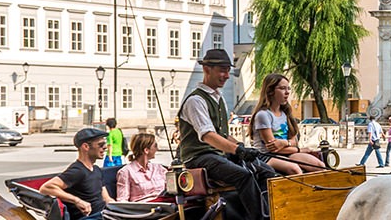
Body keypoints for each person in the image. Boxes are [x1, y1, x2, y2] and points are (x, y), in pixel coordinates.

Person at [175, 48, 271, 220]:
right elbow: (208, 136)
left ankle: (271, 210)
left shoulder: (219, 99)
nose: (227, 75)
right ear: (206, 69)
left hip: (217, 154)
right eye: (222, 70)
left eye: (228, 70)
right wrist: (237, 150)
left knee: (266, 170)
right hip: (198, 157)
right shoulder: (195, 101)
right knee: (244, 175)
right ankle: (260, 218)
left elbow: (223, 135)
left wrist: (242, 147)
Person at [252, 73, 325, 175]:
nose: (287, 92)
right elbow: (273, 149)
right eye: (282, 88)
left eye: (288, 89)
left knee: (319, 166)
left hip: (286, 152)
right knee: (294, 169)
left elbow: (294, 140)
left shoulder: (285, 113)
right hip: (266, 156)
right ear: (270, 91)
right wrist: (299, 150)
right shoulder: (263, 115)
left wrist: (284, 143)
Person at [41, 127, 113, 219]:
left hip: (104, 215)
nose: (105, 147)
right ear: (86, 147)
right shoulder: (77, 171)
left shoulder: (96, 170)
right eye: (101, 144)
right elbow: (46, 188)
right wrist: (77, 201)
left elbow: (107, 199)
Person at [115, 132, 169, 203]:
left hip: (164, 206)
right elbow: (122, 200)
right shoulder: (126, 172)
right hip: (143, 210)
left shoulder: (159, 168)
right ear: (146, 150)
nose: (157, 149)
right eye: (155, 146)